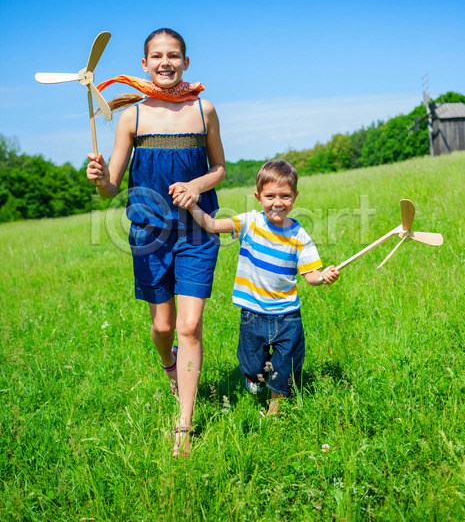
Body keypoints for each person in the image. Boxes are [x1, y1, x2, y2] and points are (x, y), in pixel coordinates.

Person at [86, 28, 226, 456]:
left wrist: (196, 185)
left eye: (174, 55)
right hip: (149, 234)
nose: (166, 62)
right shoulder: (131, 117)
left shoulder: (205, 110)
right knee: (164, 327)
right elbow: (112, 187)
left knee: (189, 325)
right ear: (144, 64)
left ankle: (183, 424)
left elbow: (220, 167)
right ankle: (170, 366)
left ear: (186, 62)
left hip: (197, 230)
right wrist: (99, 180)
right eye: (157, 56)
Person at [177, 159, 339, 416]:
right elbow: (211, 225)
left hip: (288, 315)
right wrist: (193, 204)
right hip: (253, 313)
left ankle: (275, 414)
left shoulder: (300, 236)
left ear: (295, 196)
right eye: (270, 196)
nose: (278, 202)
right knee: (252, 366)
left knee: (285, 367)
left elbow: (310, 275)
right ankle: (255, 378)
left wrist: (324, 277)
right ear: (258, 196)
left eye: (285, 196)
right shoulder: (250, 222)